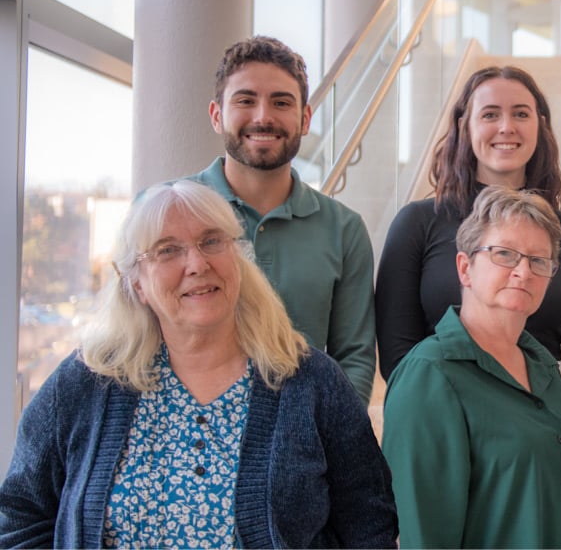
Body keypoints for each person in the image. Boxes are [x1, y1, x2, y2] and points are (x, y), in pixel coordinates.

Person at [0, 180, 398, 548]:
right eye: (167, 250)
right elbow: (18, 518)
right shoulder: (87, 382)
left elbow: (369, 524)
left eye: (211, 241)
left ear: (238, 258)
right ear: (137, 283)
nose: (196, 263)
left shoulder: (311, 382)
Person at [376, 65, 561, 419]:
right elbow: (397, 353)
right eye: (490, 114)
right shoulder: (416, 223)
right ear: (465, 125)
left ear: (540, 126)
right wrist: (467, 422)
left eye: (521, 114)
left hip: (544, 424)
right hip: (441, 420)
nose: (506, 127)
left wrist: (551, 418)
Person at [382, 186, 561, 549]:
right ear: (464, 268)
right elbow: (425, 535)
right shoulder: (429, 375)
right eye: (504, 254)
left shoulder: (544, 368)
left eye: (539, 260)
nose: (523, 271)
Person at [189, 35, 375, 404]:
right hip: (185, 431)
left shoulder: (344, 229)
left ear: (305, 119)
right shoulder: (167, 211)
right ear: (216, 115)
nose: (263, 117)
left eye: (281, 102)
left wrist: (331, 432)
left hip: (303, 432)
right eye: (245, 100)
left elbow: (354, 358)